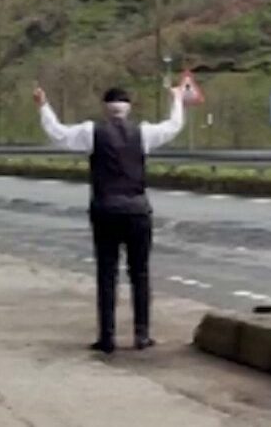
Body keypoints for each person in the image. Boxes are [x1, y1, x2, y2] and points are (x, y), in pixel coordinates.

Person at [33, 84, 185, 354]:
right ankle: (141, 334)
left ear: (105, 108)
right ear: (128, 108)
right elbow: (173, 126)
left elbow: (58, 134)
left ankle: (107, 337)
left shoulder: (91, 132)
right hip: (138, 211)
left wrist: (43, 105)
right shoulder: (144, 133)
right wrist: (177, 98)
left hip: (104, 210)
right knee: (140, 273)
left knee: (107, 274)